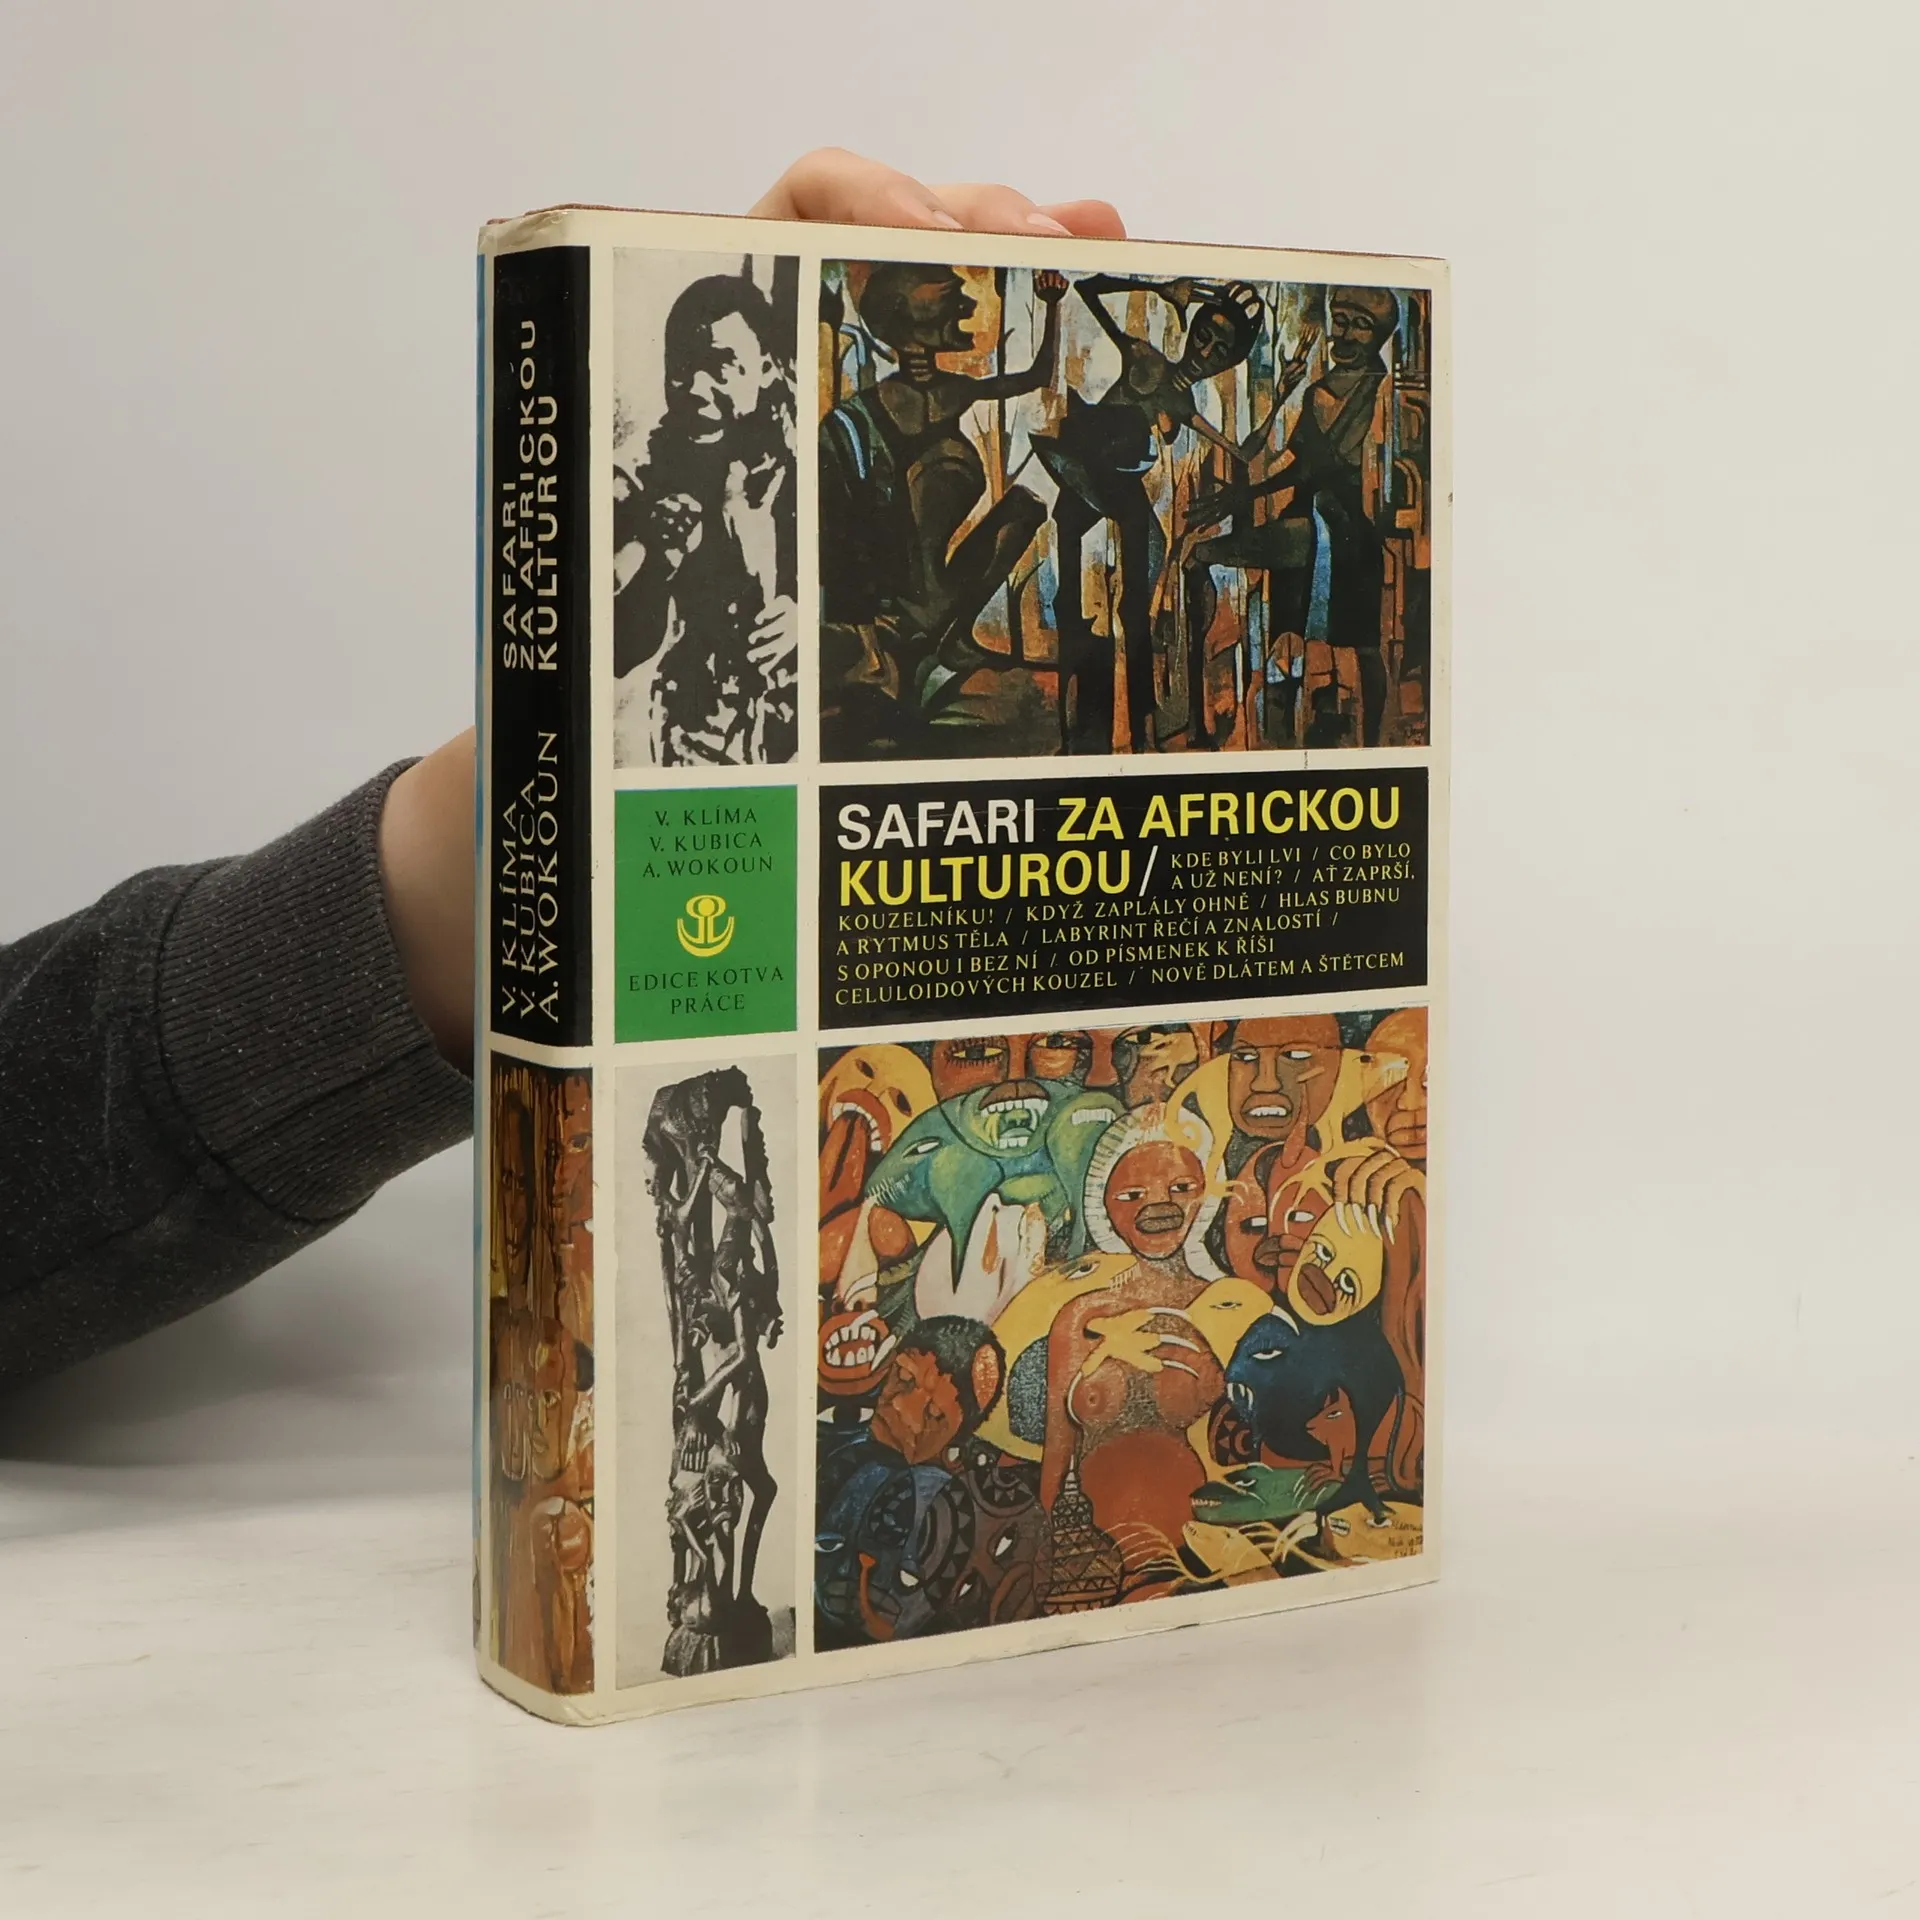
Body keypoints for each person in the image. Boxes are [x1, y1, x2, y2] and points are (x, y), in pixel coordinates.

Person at [0, 150, 1126, 1392]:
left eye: (738, 365)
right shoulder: (728, 466)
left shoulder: (803, 455)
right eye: (699, 366)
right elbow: (647, 636)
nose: (717, 388)